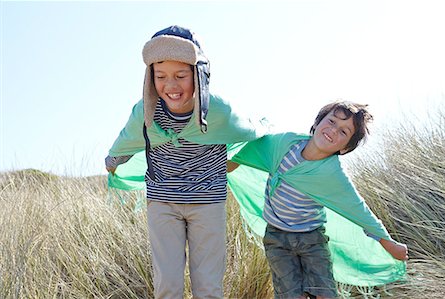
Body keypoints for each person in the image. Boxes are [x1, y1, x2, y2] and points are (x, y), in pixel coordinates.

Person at [105, 25, 266, 299]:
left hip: (208, 202)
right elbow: (126, 142)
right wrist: (113, 162)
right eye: (160, 76)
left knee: (208, 286)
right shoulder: (145, 112)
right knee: (167, 284)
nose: (171, 85)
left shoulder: (218, 110)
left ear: (199, 75)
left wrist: (232, 163)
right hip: (163, 202)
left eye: (181, 75)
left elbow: (252, 134)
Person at [228, 101, 408, 299]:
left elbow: (358, 210)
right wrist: (221, 169)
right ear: (317, 122)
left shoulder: (332, 175)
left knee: (324, 294)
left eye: (343, 132)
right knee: (290, 295)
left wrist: (388, 243)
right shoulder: (284, 144)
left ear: (346, 147)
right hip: (276, 237)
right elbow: (248, 153)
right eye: (331, 121)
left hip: (312, 239)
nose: (333, 130)